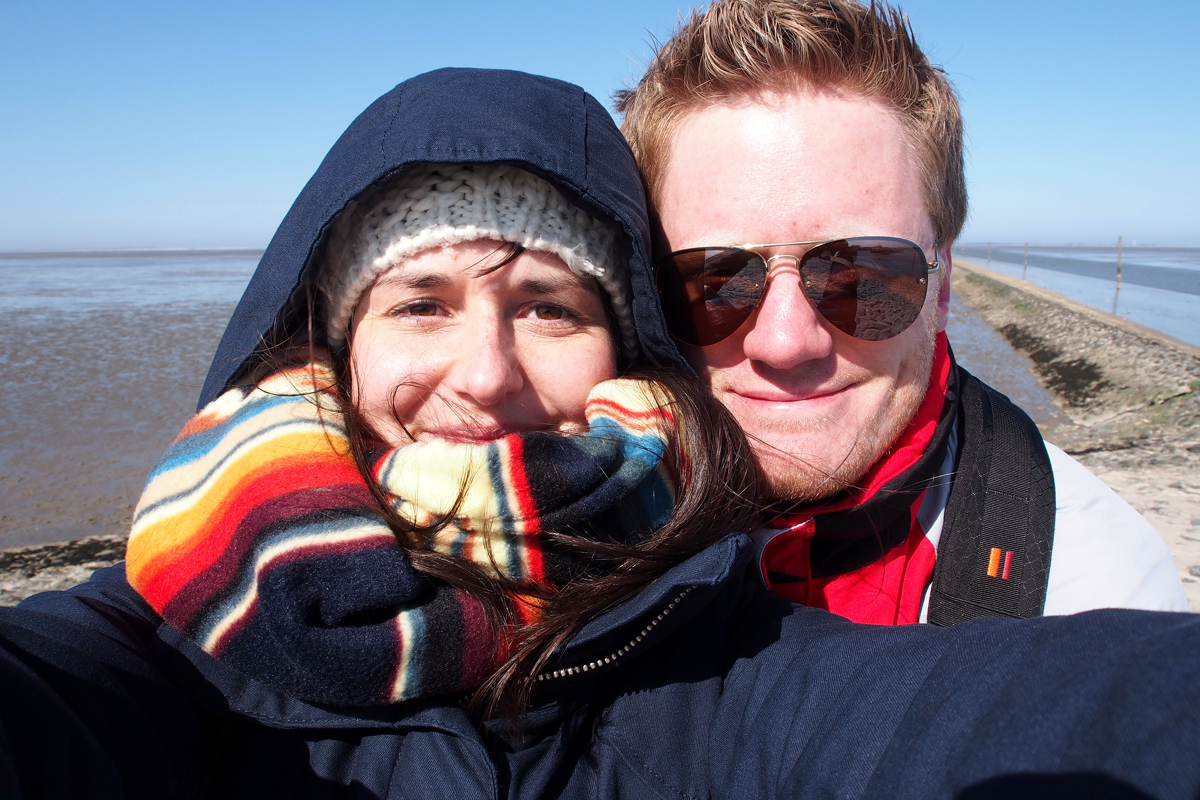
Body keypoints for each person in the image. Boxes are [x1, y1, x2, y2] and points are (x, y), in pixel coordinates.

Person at [2, 68, 1200, 800]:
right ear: (332, 342)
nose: (485, 372)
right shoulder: (174, 623)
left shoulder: (704, 636)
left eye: (550, 306)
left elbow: (997, 716)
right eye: (420, 302)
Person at [616, 0, 1187, 624]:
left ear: (941, 288)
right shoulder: (569, 540)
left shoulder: (1093, 592)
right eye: (713, 280)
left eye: (859, 276)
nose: (784, 342)